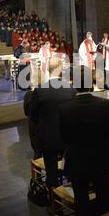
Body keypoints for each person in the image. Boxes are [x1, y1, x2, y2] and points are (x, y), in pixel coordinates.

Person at [59, 66, 109, 216]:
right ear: (92, 83)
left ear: (74, 84)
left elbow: (65, 138)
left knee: (81, 199)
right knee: (103, 195)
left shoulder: (65, 108)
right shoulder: (106, 105)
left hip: (77, 160)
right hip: (101, 157)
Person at [30, 58, 76, 188]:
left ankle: (53, 200)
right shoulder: (70, 89)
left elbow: (33, 117)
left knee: (51, 172)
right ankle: (71, 195)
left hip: (48, 138)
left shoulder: (39, 91)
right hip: (67, 137)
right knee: (70, 168)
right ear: (60, 69)